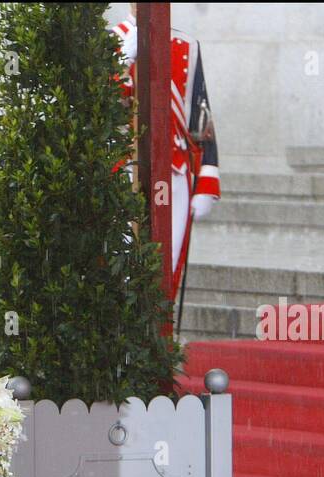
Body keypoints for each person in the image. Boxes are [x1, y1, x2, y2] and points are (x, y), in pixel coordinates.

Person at [113, 12, 220, 291]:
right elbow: (103, 111)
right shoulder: (111, 41)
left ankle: (161, 332)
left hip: (175, 170)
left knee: (166, 263)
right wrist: (123, 60)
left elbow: (201, 117)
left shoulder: (187, 45)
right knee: (123, 264)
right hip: (124, 168)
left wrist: (207, 183)